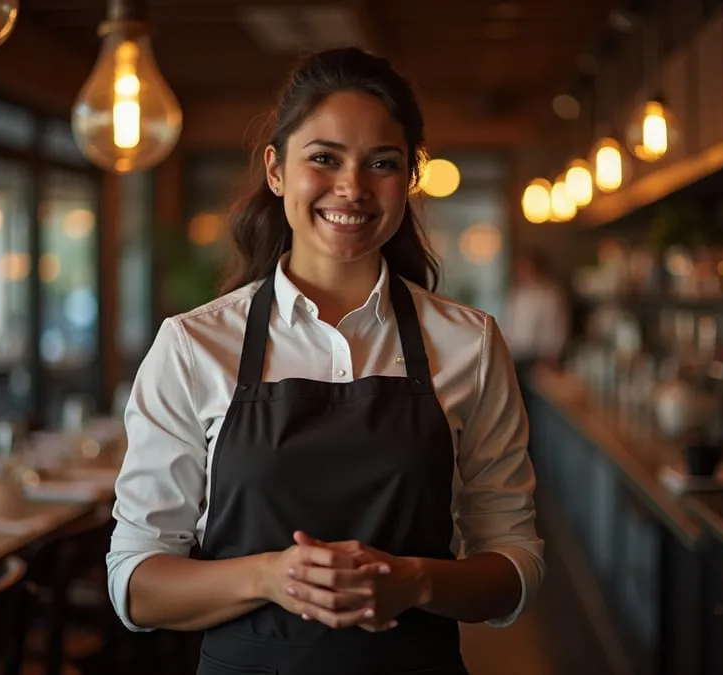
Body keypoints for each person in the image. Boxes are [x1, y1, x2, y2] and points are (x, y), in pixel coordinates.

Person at [107, 47, 544, 675]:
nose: (353, 187)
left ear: (411, 176)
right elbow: (135, 582)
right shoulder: (192, 345)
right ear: (277, 171)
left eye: (382, 163)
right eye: (323, 158)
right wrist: (269, 577)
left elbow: (515, 564)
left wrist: (417, 582)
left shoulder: (469, 343)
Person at [501, 249, 569, 383]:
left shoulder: (551, 294)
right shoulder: (516, 293)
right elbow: (508, 322)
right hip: (514, 354)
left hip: (538, 357)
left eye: (527, 267)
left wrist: (552, 357)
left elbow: (558, 327)